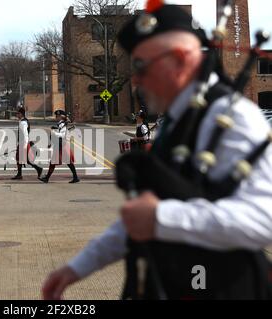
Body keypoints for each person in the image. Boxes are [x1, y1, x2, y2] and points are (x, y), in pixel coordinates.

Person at [42, 4, 272, 300]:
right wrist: (76, 268)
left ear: (178, 60)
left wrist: (162, 218)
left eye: (141, 66)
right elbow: (141, 217)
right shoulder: (176, 120)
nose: (136, 80)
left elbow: (263, 218)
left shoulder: (234, 119)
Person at [39, 110, 79, 184]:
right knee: (68, 162)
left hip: (61, 145)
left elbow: (62, 135)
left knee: (53, 162)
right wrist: (51, 142)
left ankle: (46, 178)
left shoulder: (62, 124)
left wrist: (54, 133)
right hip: (61, 145)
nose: (56, 117)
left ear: (61, 116)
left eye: (57, 116)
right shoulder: (60, 124)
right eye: (56, 116)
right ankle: (75, 177)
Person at [12, 107, 43, 180]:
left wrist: (25, 145)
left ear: (21, 114)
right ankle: (19, 174)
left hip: (24, 143)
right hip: (23, 143)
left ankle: (39, 169)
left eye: (18, 113)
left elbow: (25, 134)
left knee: (26, 160)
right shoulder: (22, 121)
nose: (17, 115)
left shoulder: (23, 123)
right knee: (19, 158)